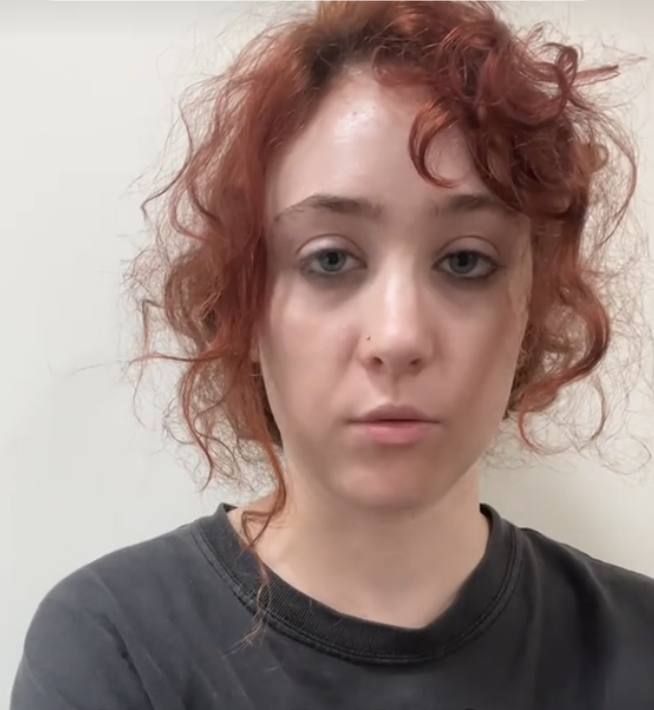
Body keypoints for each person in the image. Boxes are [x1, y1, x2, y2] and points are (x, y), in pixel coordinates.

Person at [11, 2, 654, 709]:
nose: (399, 337)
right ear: (246, 304)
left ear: (532, 311)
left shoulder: (635, 648)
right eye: (331, 259)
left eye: (466, 261)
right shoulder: (116, 646)